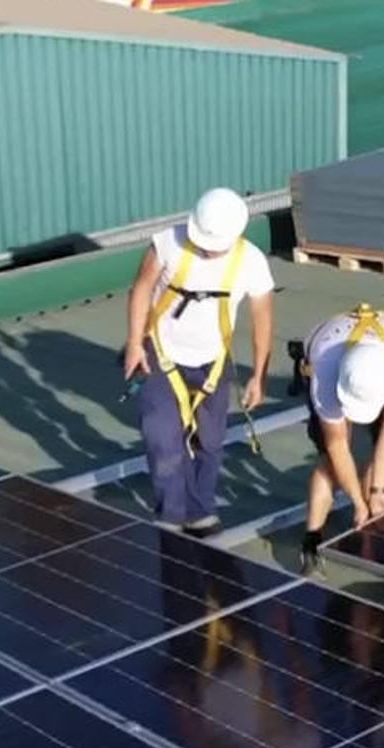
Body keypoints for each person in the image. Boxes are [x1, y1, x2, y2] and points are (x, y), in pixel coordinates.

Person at [122, 187, 274, 538]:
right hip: (160, 354)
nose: (206, 247)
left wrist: (259, 376)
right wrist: (133, 344)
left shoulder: (250, 262)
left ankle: (200, 509)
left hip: (213, 362)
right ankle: (171, 515)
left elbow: (263, 319)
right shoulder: (169, 244)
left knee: (210, 441)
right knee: (163, 439)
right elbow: (142, 288)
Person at [295, 303, 384, 575]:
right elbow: (337, 443)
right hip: (324, 347)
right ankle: (311, 542)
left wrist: (377, 492)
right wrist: (356, 501)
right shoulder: (326, 370)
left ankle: (375, 506)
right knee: (330, 461)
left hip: (377, 355)